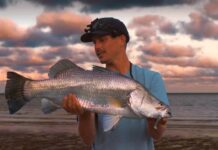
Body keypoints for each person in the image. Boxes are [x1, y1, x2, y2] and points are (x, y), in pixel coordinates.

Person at [62, 17, 169, 150]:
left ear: (122, 39)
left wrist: (158, 123)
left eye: (102, 40)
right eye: (94, 42)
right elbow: (88, 140)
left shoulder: (152, 78)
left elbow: (156, 135)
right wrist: (84, 114)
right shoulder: (89, 82)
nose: (97, 47)